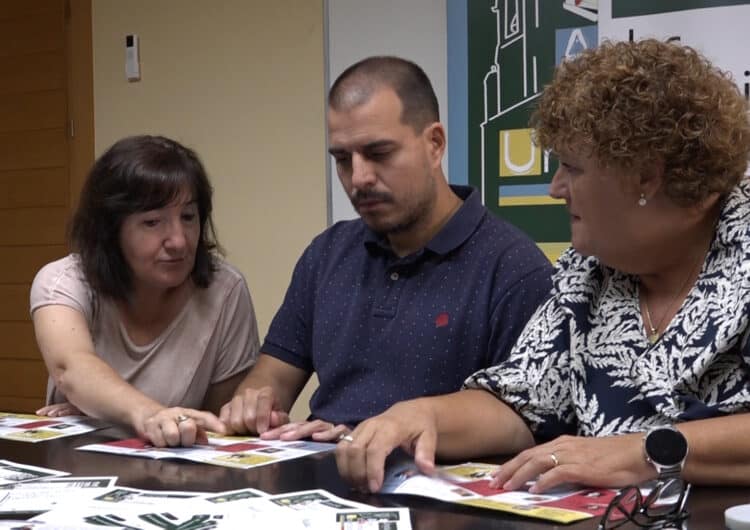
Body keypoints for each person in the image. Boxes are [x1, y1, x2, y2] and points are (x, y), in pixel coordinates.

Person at [335, 39, 750, 494]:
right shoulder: (590, 270)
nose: (556, 188)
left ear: (646, 176)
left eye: (571, 167)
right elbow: (521, 402)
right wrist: (419, 416)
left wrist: (642, 451)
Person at [219, 56, 553, 441]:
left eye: (379, 154)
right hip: (322, 476)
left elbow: (528, 420)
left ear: (434, 144)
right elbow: (273, 374)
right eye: (343, 160)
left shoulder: (513, 268)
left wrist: (401, 428)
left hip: (435, 484)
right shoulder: (326, 254)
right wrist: (254, 401)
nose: (358, 178)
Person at [31, 135, 260, 447]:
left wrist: (112, 416)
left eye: (189, 217)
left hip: (175, 472)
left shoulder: (225, 290)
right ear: (111, 230)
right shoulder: (64, 280)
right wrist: (149, 416)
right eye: (153, 222)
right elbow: (72, 368)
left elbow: (221, 421)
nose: (178, 240)